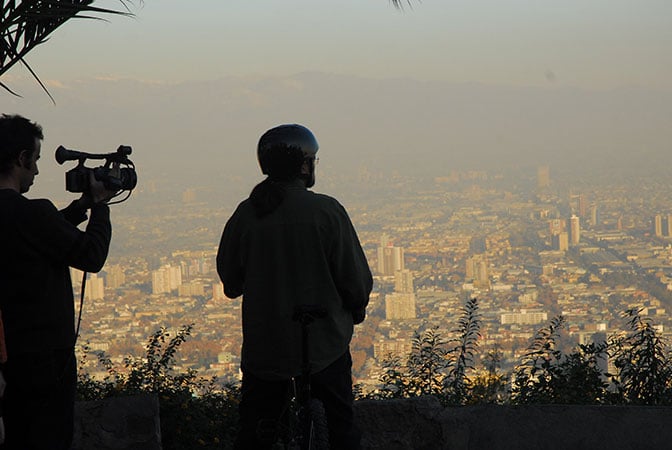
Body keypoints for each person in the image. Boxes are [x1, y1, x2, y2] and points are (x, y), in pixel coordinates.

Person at [217, 124, 372, 449]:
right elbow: (356, 281)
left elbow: (230, 284)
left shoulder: (246, 215)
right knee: (342, 431)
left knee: (257, 434)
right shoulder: (327, 212)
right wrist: (356, 310)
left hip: (266, 349)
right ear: (305, 165)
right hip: (323, 347)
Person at [0, 114, 115, 449]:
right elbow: (91, 256)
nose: (35, 171)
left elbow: (39, 237)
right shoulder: (33, 213)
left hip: (8, 356)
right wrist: (101, 207)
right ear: (21, 159)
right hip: (44, 359)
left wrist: (80, 207)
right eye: (34, 161)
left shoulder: (25, 217)